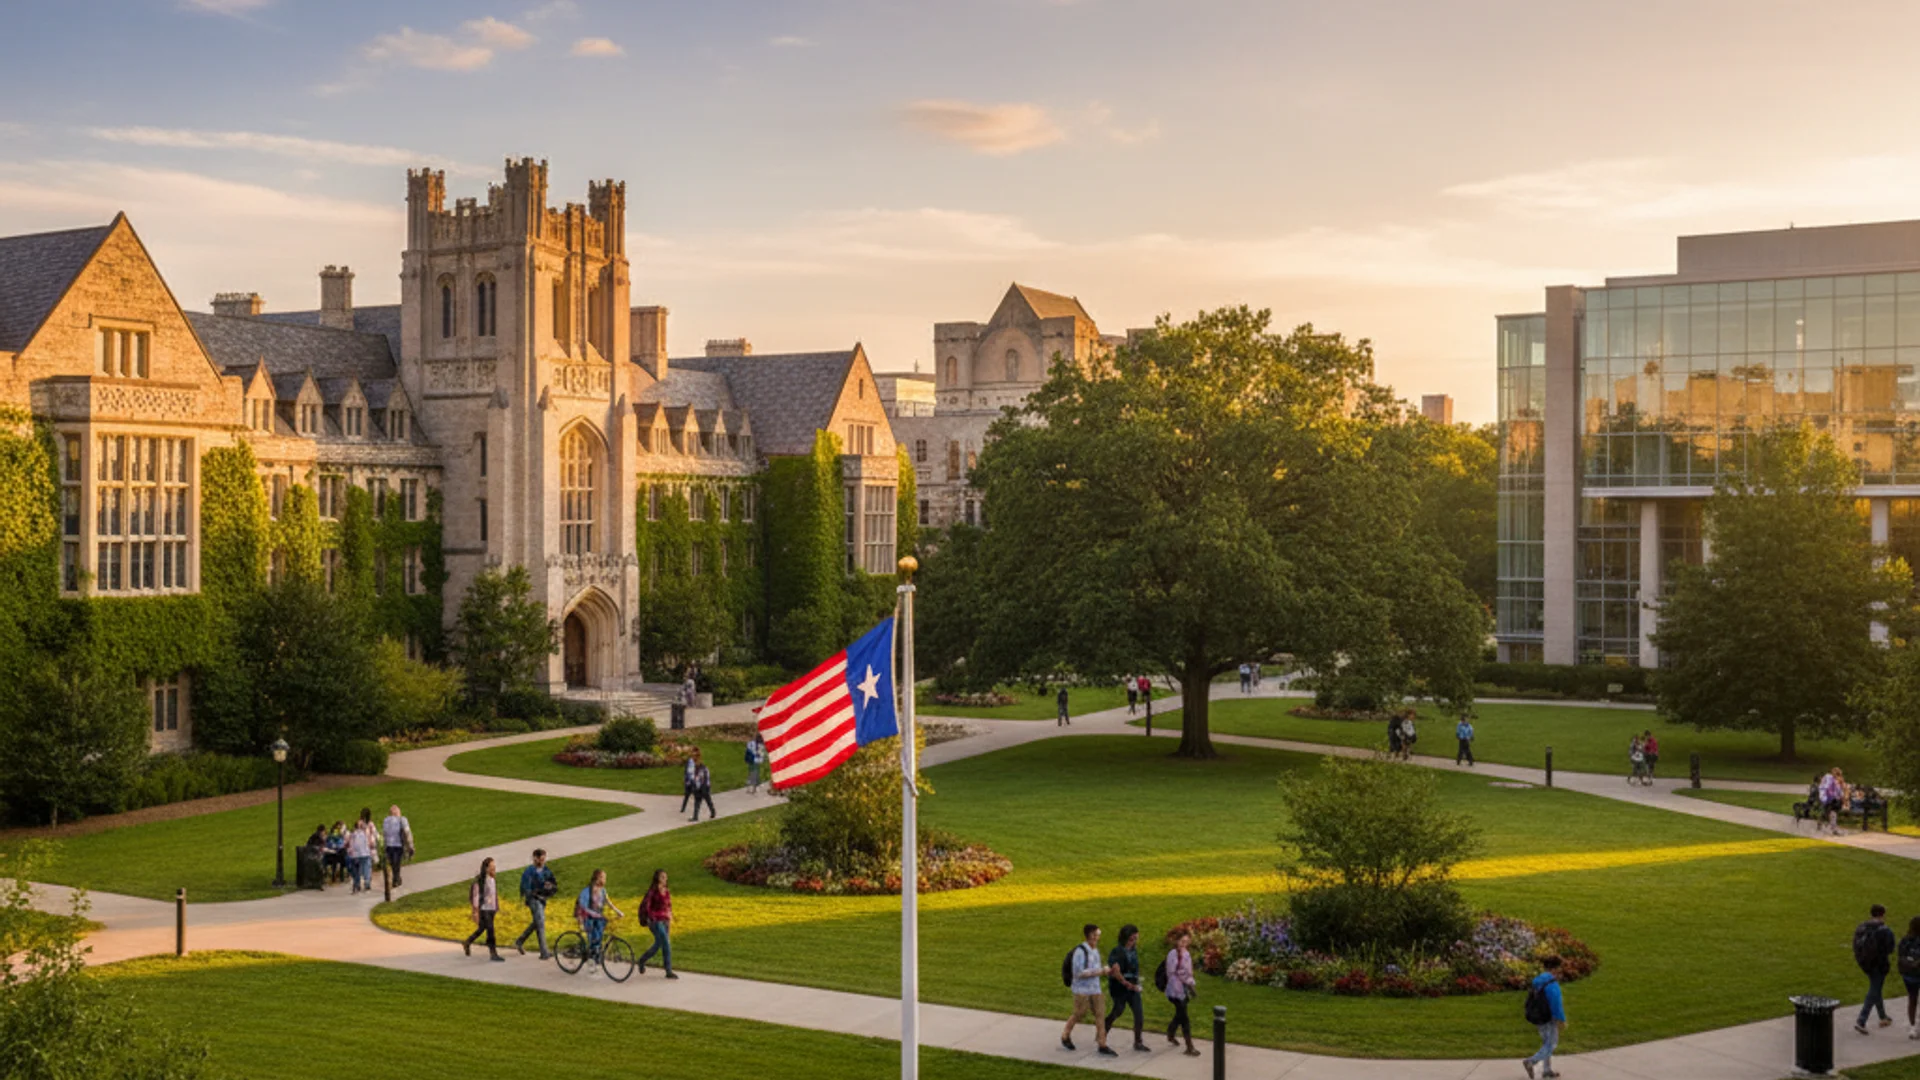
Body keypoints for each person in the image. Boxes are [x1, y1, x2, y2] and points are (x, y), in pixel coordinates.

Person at [1061, 924, 1117, 1056]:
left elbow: (1095, 968)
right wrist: (1100, 971)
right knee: (1079, 1013)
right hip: (1082, 990)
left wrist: (1106, 970)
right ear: (1090, 935)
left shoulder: (1095, 950)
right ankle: (1065, 1036)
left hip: (1095, 988)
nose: (1098, 937)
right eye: (1096, 935)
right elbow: (1079, 973)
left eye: (1098, 935)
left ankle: (1102, 1044)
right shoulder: (1080, 952)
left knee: (1100, 1014)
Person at [1102, 924, 1148, 1052]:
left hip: (1132, 986)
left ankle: (1138, 1042)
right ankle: (1102, 1035)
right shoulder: (1117, 952)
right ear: (1126, 937)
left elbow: (1134, 969)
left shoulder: (1133, 950)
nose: (1135, 940)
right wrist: (1128, 985)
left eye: (1136, 938)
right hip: (1119, 987)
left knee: (1139, 1014)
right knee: (1118, 1011)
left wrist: (1137, 982)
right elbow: (1116, 973)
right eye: (1133, 938)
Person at [1855, 903, 1898, 1035]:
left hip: (1864, 963)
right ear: (1882, 914)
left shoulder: (1862, 926)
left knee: (1876, 987)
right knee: (1874, 989)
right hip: (1879, 964)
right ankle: (1861, 1020)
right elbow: (1890, 949)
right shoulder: (1885, 930)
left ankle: (1883, 1017)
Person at [1522, 955, 1566, 1079]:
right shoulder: (1552, 983)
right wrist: (1561, 1019)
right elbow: (1556, 1003)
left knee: (1546, 1043)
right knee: (1552, 1044)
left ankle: (1547, 1070)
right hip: (1549, 1017)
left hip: (1538, 1016)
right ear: (1554, 968)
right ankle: (1531, 1061)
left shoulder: (1538, 981)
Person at [515, 848, 557, 959]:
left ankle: (520, 940)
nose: (542, 861)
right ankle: (544, 952)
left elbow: (553, 883)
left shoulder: (546, 870)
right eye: (541, 859)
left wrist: (550, 886)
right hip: (533, 899)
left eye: (544, 859)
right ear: (535, 858)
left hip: (542, 899)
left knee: (537, 922)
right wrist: (532, 895)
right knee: (540, 923)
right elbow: (526, 887)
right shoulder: (529, 871)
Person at [1164, 928, 1199, 1057]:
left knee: (1180, 1014)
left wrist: (1189, 984)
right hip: (1176, 990)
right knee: (1185, 1018)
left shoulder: (1186, 954)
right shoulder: (1173, 954)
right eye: (1182, 941)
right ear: (1177, 941)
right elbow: (1179, 973)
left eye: (1186, 941)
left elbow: (1188, 972)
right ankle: (1189, 1046)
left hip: (1183, 989)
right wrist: (1191, 986)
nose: (1184, 944)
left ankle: (1170, 1033)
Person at [576, 868, 623, 964]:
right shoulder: (586, 891)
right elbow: (582, 906)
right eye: (603, 878)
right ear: (597, 878)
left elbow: (609, 903)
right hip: (587, 917)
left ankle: (595, 953)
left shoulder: (603, 891)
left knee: (599, 934)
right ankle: (593, 953)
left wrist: (618, 911)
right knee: (594, 936)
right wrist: (580, 921)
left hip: (597, 916)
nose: (605, 880)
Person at [637, 868, 677, 979]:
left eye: (666, 876)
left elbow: (669, 905)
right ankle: (668, 971)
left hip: (665, 921)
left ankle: (642, 960)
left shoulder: (666, 890)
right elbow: (647, 906)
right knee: (666, 944)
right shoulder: (653, 891)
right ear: (657, 878)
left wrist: (671, 916)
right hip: (655, 921)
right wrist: (652, 918)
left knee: (659, 944)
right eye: (662, 877)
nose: (665, 879)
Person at [463, 857, 505, 962]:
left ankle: (467, 942)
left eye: (494, 867)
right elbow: (476, 897)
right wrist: (475, 912)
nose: (494, 869)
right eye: (492, 867)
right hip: (484, 909)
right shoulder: (480, 882)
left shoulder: (492, 879)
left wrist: (497, 907)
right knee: (490, 930)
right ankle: (493, 953)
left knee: (482, 928)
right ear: (486, 868)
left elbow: (493, 894)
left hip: (491, 909)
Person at [1897, 914, 1920, 1039]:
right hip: (1916, 974)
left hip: (1908, 975)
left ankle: (1913, 1027)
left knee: (1912, 1000)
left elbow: (1900, 956)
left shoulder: (1905, 940)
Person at [381, 804, 413, 888]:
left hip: (388, 845)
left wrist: (384, 845)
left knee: (393, 863)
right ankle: (396, 878)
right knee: (397, 863)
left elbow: (384, 833)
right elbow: (407, 832)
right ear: (398, 812)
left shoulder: (386, 820)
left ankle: (396, 878)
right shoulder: (402, 819)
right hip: (398, 845)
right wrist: (411, 845)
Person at [343, 808, 374, 893]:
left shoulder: (352, 834)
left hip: (355, 855)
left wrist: (348, 849)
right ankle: (367, 883)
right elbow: (371, 842)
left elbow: (346, 843)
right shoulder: (366, 831)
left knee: (356, 870)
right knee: (366, 867)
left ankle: (357, 884)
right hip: (365, 853)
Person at [1819, 768, 1847, 834]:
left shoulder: (1838, 781)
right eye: (1837, 774)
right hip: (1827, 799)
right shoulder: (1828, 778)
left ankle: (1833, 829)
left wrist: (1843, 800)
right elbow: (1824, 787)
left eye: (1839, 774)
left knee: (1833, 814)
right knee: (1826, 813)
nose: (1838, 776)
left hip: (1834, 800)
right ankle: (1820, 823)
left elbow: (1840, 792)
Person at [689, 755, 717, 821]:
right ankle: (695, 817)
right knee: (697, 803)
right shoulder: (694, 770)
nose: (695, 764)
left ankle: (713, 812)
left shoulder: (704, 769)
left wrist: (705, 787)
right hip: (697, 789)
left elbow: (706, 779)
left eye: (695, 762)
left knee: (708, 801)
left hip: (704, 788)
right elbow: (693, 779)